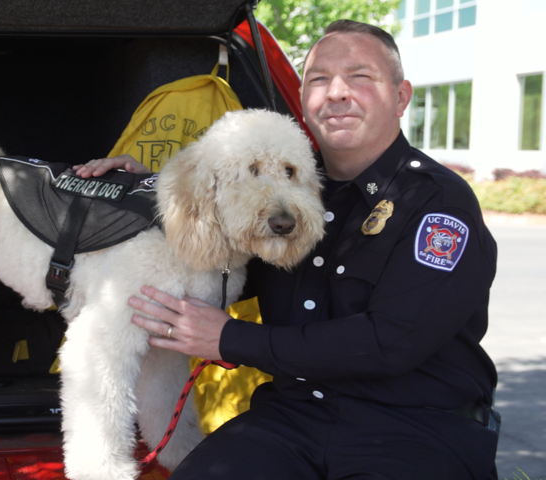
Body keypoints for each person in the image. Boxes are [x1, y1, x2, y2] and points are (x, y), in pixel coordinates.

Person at [80, 19, 499, 480]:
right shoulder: (282, 189)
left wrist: (229, 339)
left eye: (360, 77)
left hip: (417, 427)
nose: (336, 92)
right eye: (319, 79)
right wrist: (155, 192)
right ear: (302, 101)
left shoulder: (437, 203)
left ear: (401, 97)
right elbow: (215, 252)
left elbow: (391, 342)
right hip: (291, 421)